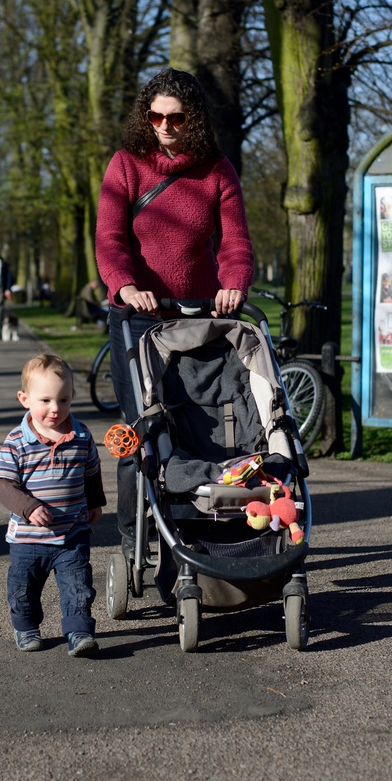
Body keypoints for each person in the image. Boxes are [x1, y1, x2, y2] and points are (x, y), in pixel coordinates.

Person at [95, 67, 254, 555]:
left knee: (197, 426)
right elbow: (109, 239)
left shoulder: (217, 170)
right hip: (139, 317)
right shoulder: (125, 165)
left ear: (194, 119)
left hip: (197, 318)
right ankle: (133, 538)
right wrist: (124, 285)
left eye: (176, 117)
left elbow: (235, 242)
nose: (165, 125)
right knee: (140, 430)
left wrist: (233, 283)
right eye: (156, 115)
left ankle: (197, 529)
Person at [0, 353, 106, 656]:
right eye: (45, 401)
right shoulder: (17, 441)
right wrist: (29, 507)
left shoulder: (81, 435)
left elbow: (91, 472)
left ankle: (79, 632)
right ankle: (26, 627)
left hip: (72, 533)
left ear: (72, 397)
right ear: (24, 399)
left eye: (63, 400)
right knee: (23, 589)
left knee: (78, 586)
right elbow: (4, 484)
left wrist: (95, 502)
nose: (55, 408)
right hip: (29, 539)